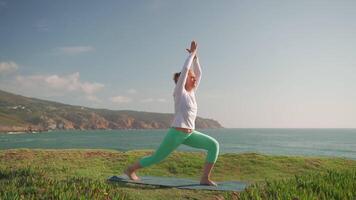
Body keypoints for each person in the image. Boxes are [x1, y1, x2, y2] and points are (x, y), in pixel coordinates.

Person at [124, 41, 219, 186]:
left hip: (190, 134)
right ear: (184, 79)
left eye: (194, 78)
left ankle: (204, 178)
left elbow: (199, 73)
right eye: (191, 77)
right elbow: (186, 69)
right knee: (156, 158)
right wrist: (191, 54)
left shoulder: (192, 93)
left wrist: (196, 57)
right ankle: (130, 169)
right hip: (176, 133)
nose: (194, 79)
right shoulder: (179, 92)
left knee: (214, 145)